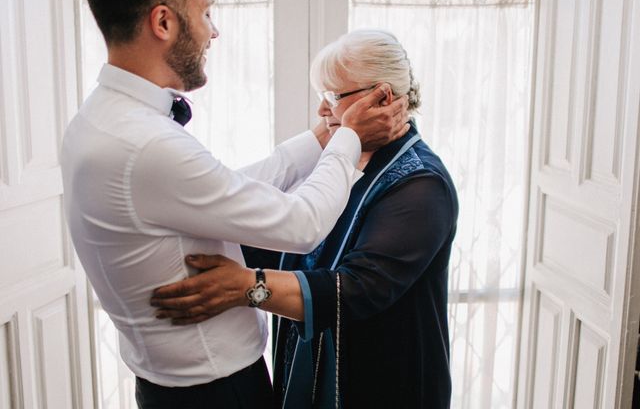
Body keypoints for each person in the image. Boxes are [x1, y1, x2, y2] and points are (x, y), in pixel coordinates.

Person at [60, 0, 409, 409]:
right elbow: (301, 225)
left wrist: (320, 141)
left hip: (170, 385)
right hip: (216, 394)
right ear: (162, 21)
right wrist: (349, 136)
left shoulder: (99, 120)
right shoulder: (147, 145)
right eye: (205, 13)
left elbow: (219, 189)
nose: (213, 31)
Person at [151, 29, 459, 408]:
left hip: (384, 383)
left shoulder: (421, 185)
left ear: (382, 97)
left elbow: (360, 288)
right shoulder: (337, 163)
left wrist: (246, 287)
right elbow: (266, 225)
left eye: (333, 96)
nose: (321, 110)